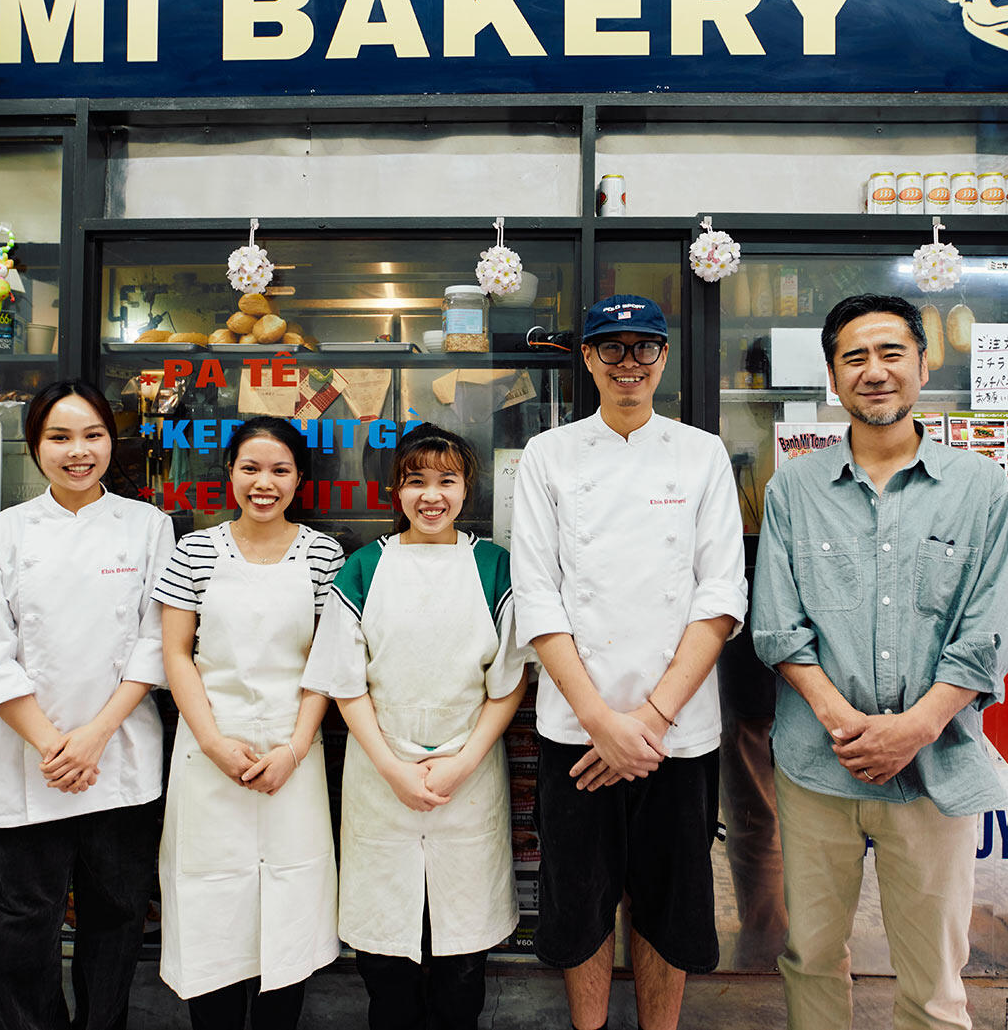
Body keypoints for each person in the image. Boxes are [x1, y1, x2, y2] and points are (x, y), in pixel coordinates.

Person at [749, 293, 1008, 1030]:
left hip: (935, 767)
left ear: (922, 365)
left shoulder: (980, 486)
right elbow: (777, 626)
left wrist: (916, 727)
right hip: (816, 767)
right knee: (809, 955)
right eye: (854, 358)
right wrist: (848, 725)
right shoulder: (793, 489)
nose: (875, 372)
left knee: (935, 974)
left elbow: (989, 631)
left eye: (891, 353)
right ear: (833, 380)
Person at [510, 294, 747, 1030]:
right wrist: (600, 722)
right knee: (579, 903)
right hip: (577, 730)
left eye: (644, 347)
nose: (629, 364)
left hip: (675, 733)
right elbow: (538, 595)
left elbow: (720, 596)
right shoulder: (548, 455)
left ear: (664, 357)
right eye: (611, 349)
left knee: (669, 906)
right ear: (588, 359)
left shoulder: (701, 453)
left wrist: (645, 721)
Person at [0, 378, 176, 1030]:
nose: (77, 451)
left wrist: (92, 737)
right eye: (59, 437)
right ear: (35, 447)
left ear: (113, 441)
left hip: (119, 759)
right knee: (17, 935)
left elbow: (156, 643)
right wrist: (55, 743)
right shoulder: (1, 535)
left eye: (92, 435)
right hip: (28, 763)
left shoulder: (149, 526)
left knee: (114, 925)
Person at [302, 423, 529, 1030]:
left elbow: (507, 684)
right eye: (415, 481)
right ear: (394, 492)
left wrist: (461, 762)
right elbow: (346, 684)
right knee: (386, 963)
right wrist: (393, 768)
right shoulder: (362, 570)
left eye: (447, 481)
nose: (431, 496)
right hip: (381, 775)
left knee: (463, 959)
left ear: (467, 490)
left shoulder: (494, 566)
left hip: (470, 773)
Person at [152, 415, 345, 1029]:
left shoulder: (323, 554)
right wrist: (212, 742)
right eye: (251, 468)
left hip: (295, 753)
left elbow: (327, 661)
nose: (265, 483)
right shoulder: (194, 551)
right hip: (209, 754)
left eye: (280, 470)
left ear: (300, 479)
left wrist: (294, 746)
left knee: (289, 906)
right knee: (212, 905)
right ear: (230, 473)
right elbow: (176, 652)